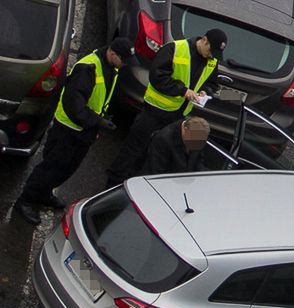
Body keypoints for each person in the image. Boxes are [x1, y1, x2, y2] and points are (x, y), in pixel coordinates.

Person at [14, 38, 135, 225]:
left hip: (83, 130)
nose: (124, 65)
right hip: (68, 130)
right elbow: (74, 106)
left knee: (66, 169)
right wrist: (98, 122)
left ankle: (43, 194)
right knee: (51, 168)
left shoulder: (111, 67)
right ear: (112, 53)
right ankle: (26, 201)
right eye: (123, 60)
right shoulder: (88, 69)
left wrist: (98, 122)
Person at [105, 28, 227, 188]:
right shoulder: (175, 49)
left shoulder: (211, 60)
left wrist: (206, 91)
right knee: (132, 150)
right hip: (154, 111)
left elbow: (211, 83)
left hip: (177, 115)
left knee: (153, 154)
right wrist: (183, 91)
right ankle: (110, 187)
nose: (212, 56)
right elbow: (157, 77)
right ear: (204, 40)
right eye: (211, 50)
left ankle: (132, 187)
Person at [141, 116, 211, 176]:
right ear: (185, 130)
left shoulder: (198, 134)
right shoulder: (163, 140)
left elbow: (198, 162)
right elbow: (157, 171)